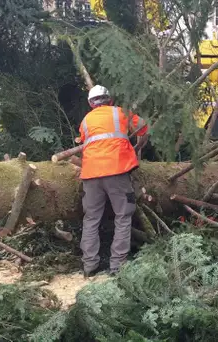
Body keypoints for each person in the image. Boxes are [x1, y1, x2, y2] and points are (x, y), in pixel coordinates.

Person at [77, 85, 148, 278]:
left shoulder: (85, 120)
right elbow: (143, 127)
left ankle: (89, 266)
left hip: (91, 173)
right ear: (109, 99)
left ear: (91, 103)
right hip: (117, 170)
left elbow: (84, 141)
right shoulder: (120, 113)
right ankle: (117, 266)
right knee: (123, 216)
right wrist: (138, 146)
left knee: (91, 219)